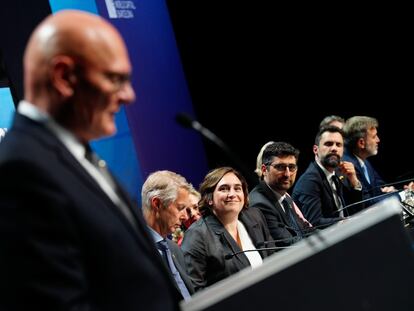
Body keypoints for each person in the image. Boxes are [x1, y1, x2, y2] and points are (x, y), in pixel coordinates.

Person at [0, 10, 181, 310]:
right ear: (63, 77)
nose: (129, 95)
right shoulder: (21, 171)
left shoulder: (72, 154)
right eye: (115, 78)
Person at [181, 167, 274, 291]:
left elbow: (273, 260)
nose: (232, 194)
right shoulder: (196, 235)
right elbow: (196, 291)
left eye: (237, 188)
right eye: (224, 189)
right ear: (209, 198)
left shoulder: (255, 217)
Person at [292, 125, 363, 227]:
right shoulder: (309, 180)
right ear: (315, 150)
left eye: (338, 145)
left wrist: (354, 181)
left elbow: (356, 209)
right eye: (328, 144)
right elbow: (315, 222)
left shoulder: (339, 173)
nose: (334, 148)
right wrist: (348, 221)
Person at [142, 170, 195, 300]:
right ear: (157, 204)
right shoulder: (135, 250)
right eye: (180, 208)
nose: (185, 217)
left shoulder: (174, 249)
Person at [249, 142, 312, 247]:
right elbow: (288, 243)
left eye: (291, 167)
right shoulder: (260, 204)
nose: (287, 174)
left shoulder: (284, 196)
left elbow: (306, 230)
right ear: (264, 170)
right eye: (280, 167)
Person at [342, 116, 399, 206]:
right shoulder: (347, 165)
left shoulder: (365, 161)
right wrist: (396, 196)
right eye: (374, 137)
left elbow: (378, 188)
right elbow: (366, 203)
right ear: (361, 143)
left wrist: (390, 191)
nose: (378, 140)